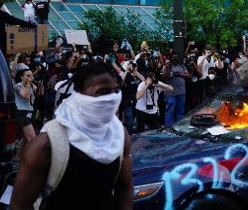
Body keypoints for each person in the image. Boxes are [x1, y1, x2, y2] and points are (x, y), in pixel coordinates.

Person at [10, 63, 133, 209]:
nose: (111, 98)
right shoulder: (45, 145)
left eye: (115, 91)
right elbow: (19, 205)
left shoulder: (119, 135)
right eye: (102, 92)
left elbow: (124, 189)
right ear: (80, 92)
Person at [14, 69, 37, 159]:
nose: (30, 78)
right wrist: (28, 84)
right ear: (21, 77)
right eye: (28, 76)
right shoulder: (17, 86)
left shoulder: (31, 85)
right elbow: (26, 96)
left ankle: (17, 158)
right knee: (32, 139)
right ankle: (33, 160)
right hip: (22, 113)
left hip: (30, 112)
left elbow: (40, 94)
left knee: (24, 139)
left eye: (31, 76)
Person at [163, 53, 190, 127]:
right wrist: (169, 69)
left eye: (176, 58)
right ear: (171, 59)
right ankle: (169, 127)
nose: (175, 59)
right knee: (170, 110)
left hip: (181, 92)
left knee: (180, 111)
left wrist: (180, 74)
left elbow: (188, 75)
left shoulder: (182, 66)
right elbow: (163, 77)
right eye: (173, 58)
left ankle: (179, 127)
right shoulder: (167, 67)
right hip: (170, 93)